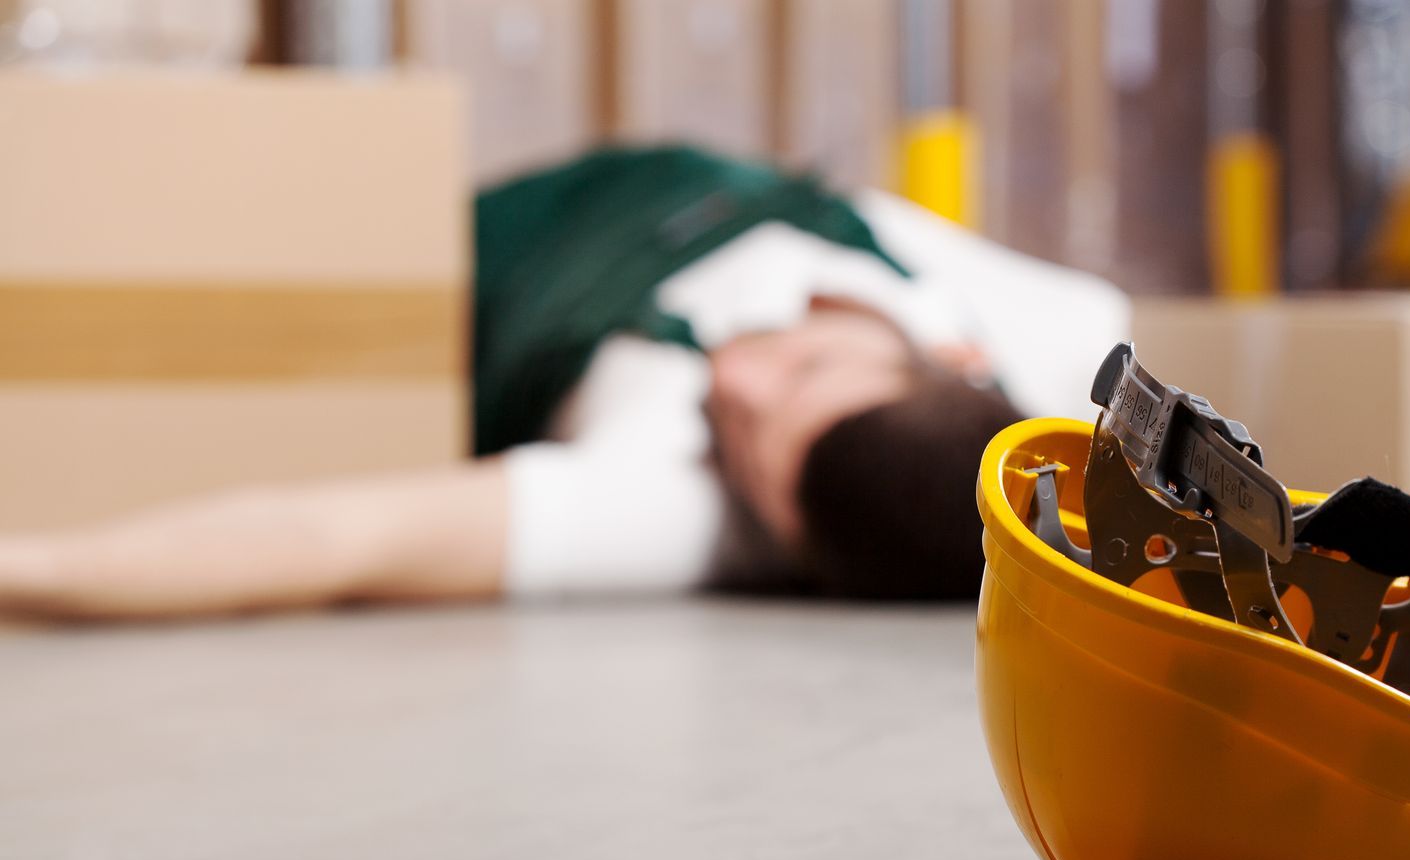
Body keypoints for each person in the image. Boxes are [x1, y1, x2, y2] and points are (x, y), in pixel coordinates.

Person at [0, 146, 1125, 622]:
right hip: (664, 175)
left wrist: (25, 568)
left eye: (751, 447)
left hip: (476, 271)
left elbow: (331, 537)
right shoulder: (1060, 332)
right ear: (953, 361)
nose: (740, 380)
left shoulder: (674, 513)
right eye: (806, 368)